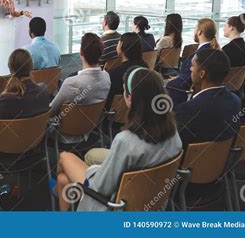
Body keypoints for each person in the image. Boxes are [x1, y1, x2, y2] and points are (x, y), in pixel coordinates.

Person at [55, 67, 182, 211]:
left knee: (65, 157)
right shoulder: (174, 134)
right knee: (63, 180)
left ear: (130, 98)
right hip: (148, 200)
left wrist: (93, 170)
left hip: (113, 205)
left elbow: (101, 187)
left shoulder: (125, 141)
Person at [49, 33, 111, 143]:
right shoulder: (106, 77)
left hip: (65, 136)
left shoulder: (72, 83)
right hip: (89, 130)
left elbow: (51, 111)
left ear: (81, 53)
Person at [174, 49, 241, 146]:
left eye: (192, 66)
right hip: (222, 160)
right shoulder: (236, 100)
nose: (190, 69)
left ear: (202, 74)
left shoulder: (188, 109)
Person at [0, 49, 50, 141]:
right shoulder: (44, 91)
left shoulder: (6, 101)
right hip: (35, 146)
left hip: (6, 152)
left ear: (10, 68)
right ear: (31, 66)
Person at [167, 18, 220, 105]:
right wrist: (179, 78)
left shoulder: (198, 56)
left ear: (199, 32)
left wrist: (171, 83)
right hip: (205, 95)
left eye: (195, 28)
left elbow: (186, 81)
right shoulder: (215, 51)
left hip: (185, 95)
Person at [105, 32, 147, 109]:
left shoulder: (112, 74)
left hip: (115, 118)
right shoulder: (145, 67)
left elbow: (107, 102)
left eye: (118, 43)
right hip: (139, 114)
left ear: (121, 45)